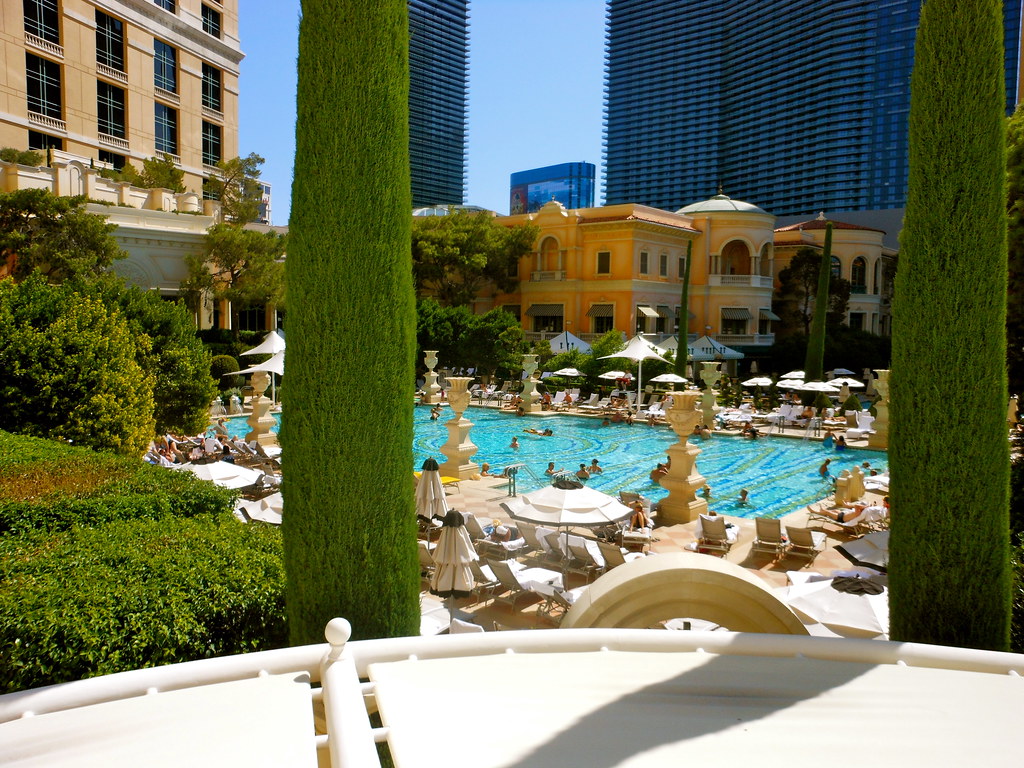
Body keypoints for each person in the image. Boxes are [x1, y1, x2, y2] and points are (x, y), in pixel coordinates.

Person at [808, 496, 889, 525]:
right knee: (835, 511)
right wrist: (867, 506)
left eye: (884, 502)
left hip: (842, 518)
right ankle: (822, 510)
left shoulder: (859, 512)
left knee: (828, 512)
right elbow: (859, 506)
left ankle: (814, 512)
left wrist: (867, 506)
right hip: (844, 514)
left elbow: (857, 506)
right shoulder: (862, 512)